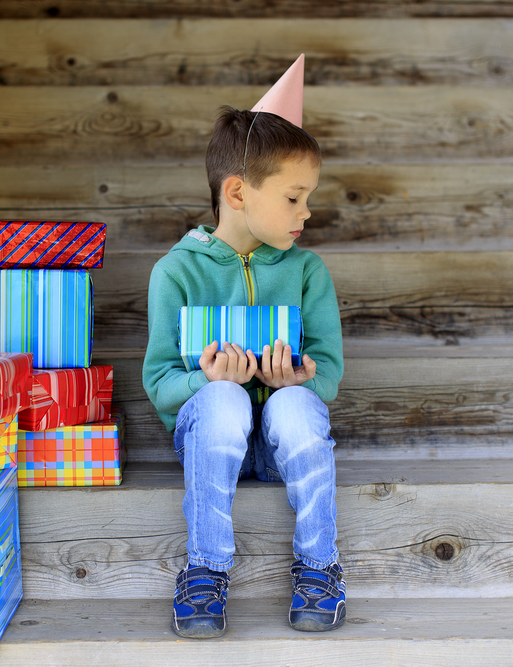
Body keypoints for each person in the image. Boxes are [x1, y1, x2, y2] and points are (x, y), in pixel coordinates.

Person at [142, 55, 346, 639]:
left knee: (296, 404)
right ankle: (205, 569)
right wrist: (206, 380)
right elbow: (159, 381)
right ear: (237, 192)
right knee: (225, 399)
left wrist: (298, 379)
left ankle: (319, 566)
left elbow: (328, 372)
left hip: (283, 445)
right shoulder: (175, 272)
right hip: (211, 439)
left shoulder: (307, 272)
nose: (307, 212)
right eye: (294, 197)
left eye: (308, 197)